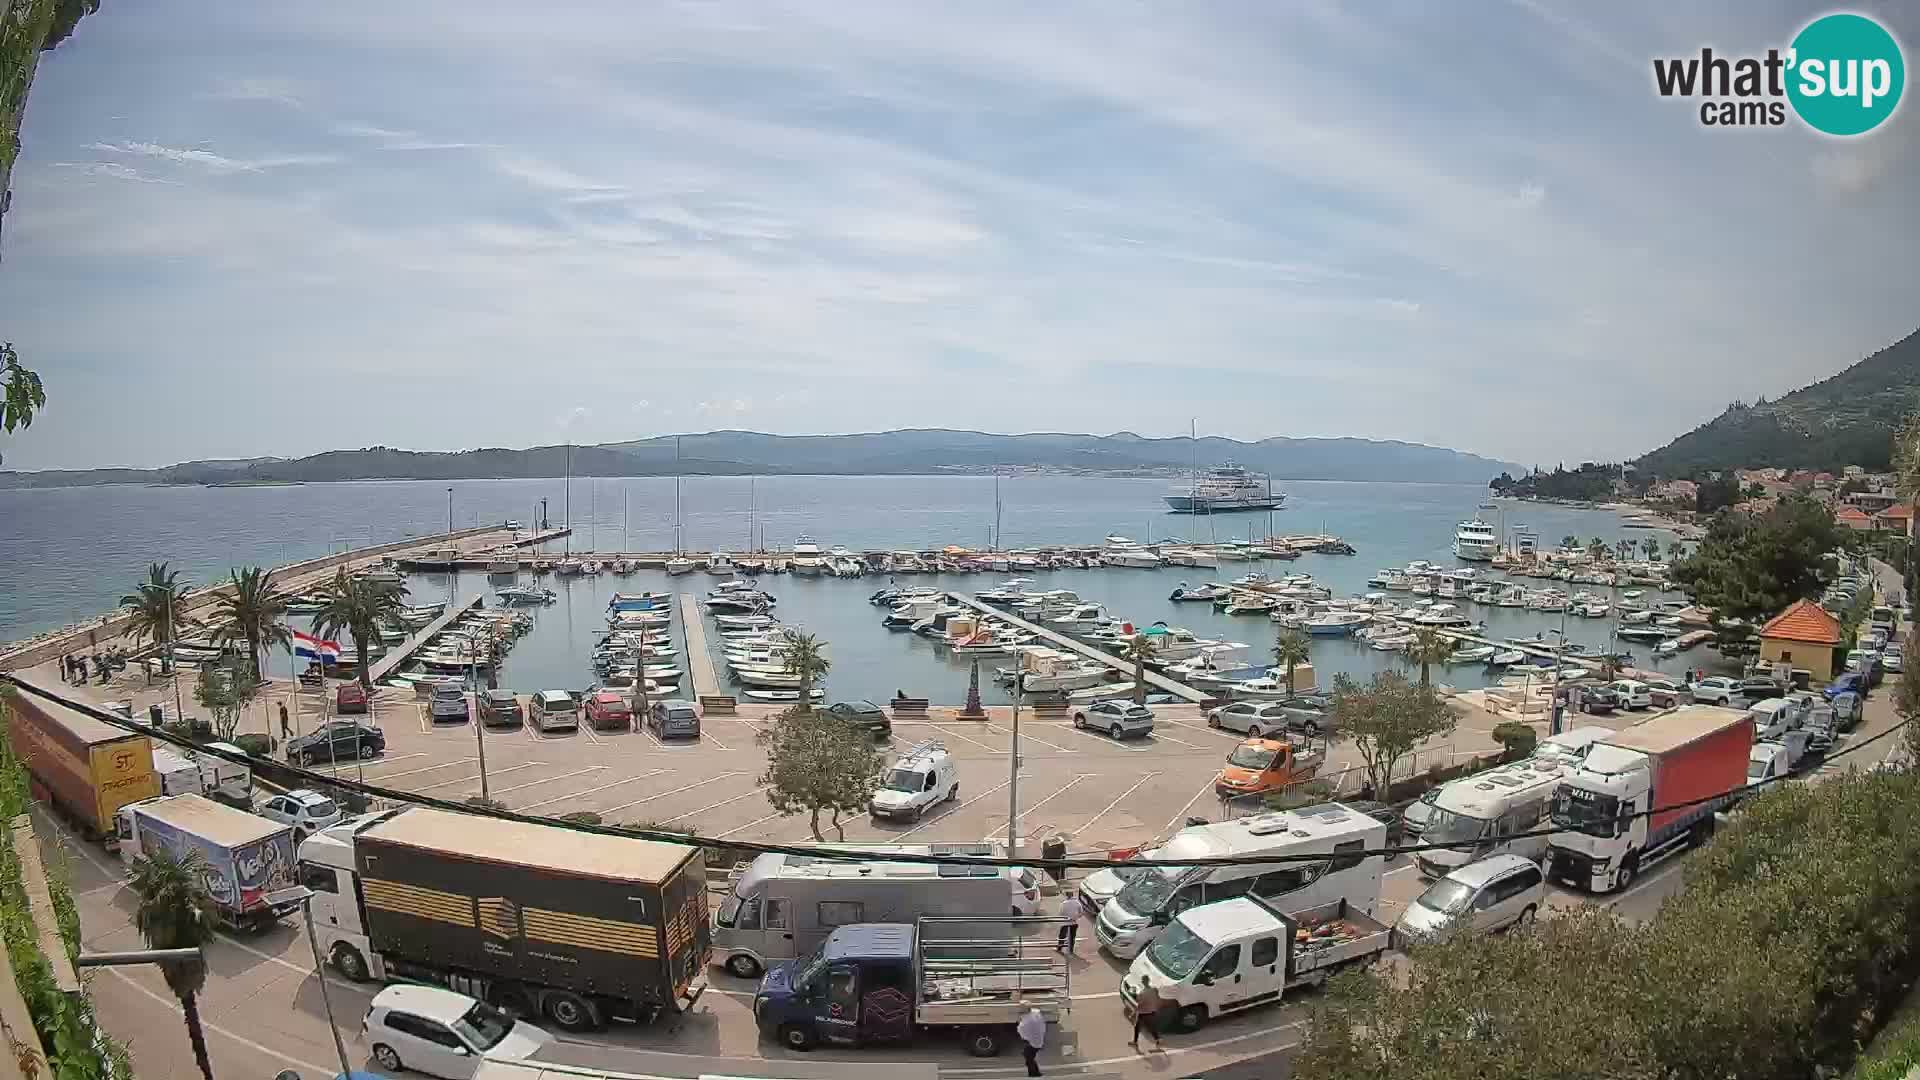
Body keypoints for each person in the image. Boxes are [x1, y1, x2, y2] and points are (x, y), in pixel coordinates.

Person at [1129, 977, 1163, 1051]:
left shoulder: (1143, 993)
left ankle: (1157, 1039)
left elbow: (1139, 1004)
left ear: (1143, 982)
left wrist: (1133, 1013)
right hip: (1152, 1011)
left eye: (1142, 981)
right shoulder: (1154, 990)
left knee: (1139, 1027)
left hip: (1144, 1013)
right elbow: (1158, 998)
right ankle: (1157, 1039)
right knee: (1147, 1027)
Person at [1016, 1006, 1046, 1077]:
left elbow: (1022, 1034)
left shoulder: (1025, 1022)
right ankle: (1035, 1072)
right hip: (1038, 1040)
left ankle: (1034, 1073)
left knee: (1029, 1058)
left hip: (1032, 1043)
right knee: (1029, 1056)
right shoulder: (1036, 1014)